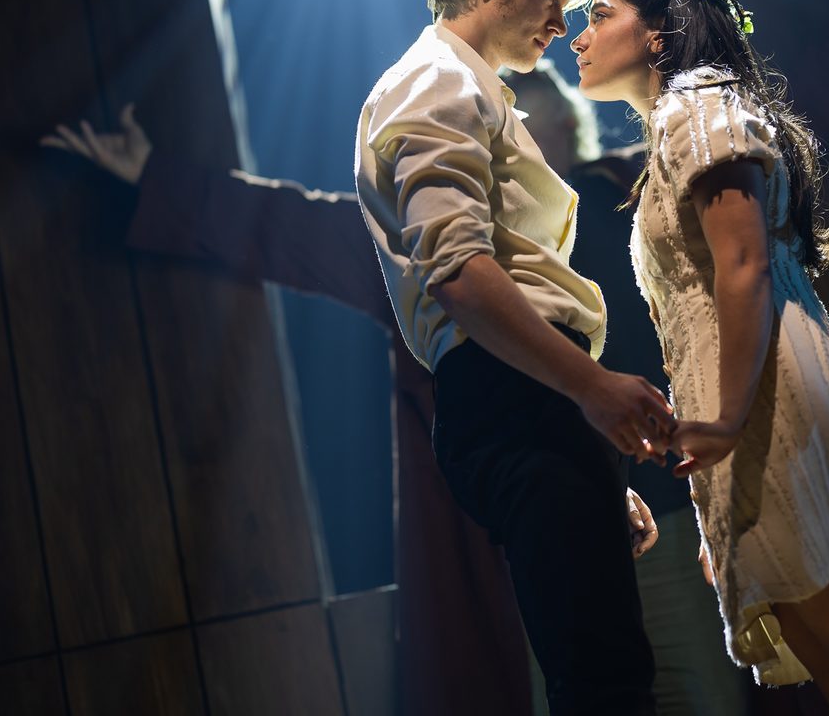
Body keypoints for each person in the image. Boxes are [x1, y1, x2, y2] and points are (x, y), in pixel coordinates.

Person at [40, 107, 542, 715]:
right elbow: (287, 227)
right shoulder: (423, 256)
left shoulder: (622, 200)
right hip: (515, 555)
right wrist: (154, 172)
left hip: (660, 507)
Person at [569, 0, 829, 715]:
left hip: (771, 400)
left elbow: (742, 263)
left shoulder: (698, 104)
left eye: (599, 15)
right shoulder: (669, 130)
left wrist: (723, 420)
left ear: (656, 34)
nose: (578, 36)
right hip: (742, 415)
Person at [354, 0, 675, 716]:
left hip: (530, 402)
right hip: (513, 396)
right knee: (602, 680)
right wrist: (590, 392)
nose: (563, 23)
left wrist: (585, 442)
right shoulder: (433, 84)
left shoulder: (467, 87)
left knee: (603, 667)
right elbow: (460, 274)